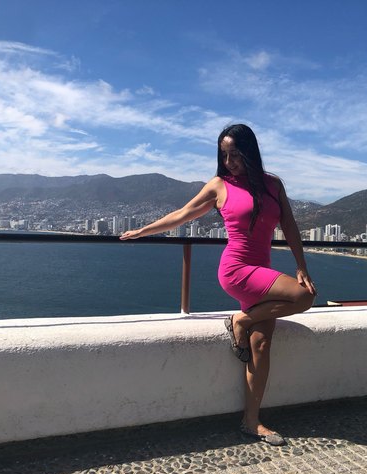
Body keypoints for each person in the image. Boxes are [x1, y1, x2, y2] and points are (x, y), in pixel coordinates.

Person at [120, 124, 316, 446]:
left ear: (250, 152)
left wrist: (301, 266)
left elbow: (290, 226)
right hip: (236, 270)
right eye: (224, 155)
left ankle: (251, 422)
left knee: (261, 346)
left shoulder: (273, 185)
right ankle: (241, 320)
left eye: (235, 154)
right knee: (304, 296)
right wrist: (142, 231)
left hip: (262, 272)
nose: (229, 162)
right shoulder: (219, 185)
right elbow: (184, 214)